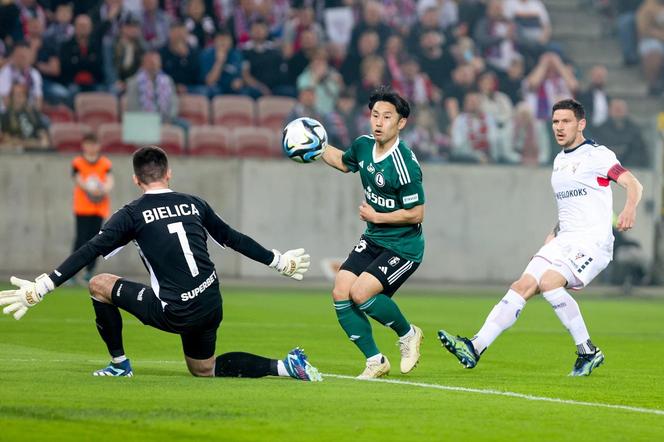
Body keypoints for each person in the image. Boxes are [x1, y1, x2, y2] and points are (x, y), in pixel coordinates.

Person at [0, 146, 321, 382]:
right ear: (168, 174)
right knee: (203, 370)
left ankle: (119, 364)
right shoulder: (194, 203)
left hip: (176, 311)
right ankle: (283, 366)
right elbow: (233, 238)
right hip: (211, 303)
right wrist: (279, 261)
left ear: (136, 180)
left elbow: (89, 250)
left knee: (99, 285)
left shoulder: (132, 214)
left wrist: (43, 285)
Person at [437, 99, 644, 376]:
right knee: (522, 285)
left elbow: (633, 183)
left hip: (592, 242)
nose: (559, 127)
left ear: (581, 124)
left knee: (549, 283)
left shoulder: (598, 155)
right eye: (556, 122)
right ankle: (475, 347)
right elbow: (572, 206)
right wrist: (554, 233)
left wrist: (629, 208)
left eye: (566, 121)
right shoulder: (559, 160)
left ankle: (588, 351)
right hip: (564, 239)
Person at [320, 86, 425, 379]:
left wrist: (377, 215)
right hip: (374, 239)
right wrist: (317, 145)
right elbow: (343, 162)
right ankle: (375, 360)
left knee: (361, 293)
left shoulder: (404, 164)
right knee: (341, 290)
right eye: (375, 115)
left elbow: (417, 213)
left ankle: (408, 334)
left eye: (387, 117)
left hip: (404, 246)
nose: (378, 122)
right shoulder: (364, 146)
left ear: (401, 123)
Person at [71, 133, 114, 283]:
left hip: (99, 208)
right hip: (82, 207)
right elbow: (78, 180)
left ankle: (90, 271)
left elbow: (109, 181)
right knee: (80, 240)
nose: (91, 147)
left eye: (94, 144)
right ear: (84, 145)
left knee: (96, 240)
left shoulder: (105, 163)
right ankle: (73, 272)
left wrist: (103, 190)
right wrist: (90, 189)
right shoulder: (78, 162)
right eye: (88, 144)